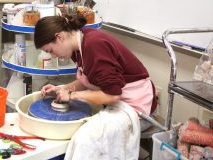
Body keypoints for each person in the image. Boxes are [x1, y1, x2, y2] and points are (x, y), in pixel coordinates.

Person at [34, 14, 157, 160]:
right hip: (116, 99)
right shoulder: (78, 44)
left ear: (60, 37)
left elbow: (113, 94)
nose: (53, 56)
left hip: (137, 107)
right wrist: (63, 88)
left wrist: (72, 95)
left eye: (50, 51)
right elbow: (88, 79)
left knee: (85, 140)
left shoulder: (94, 45)